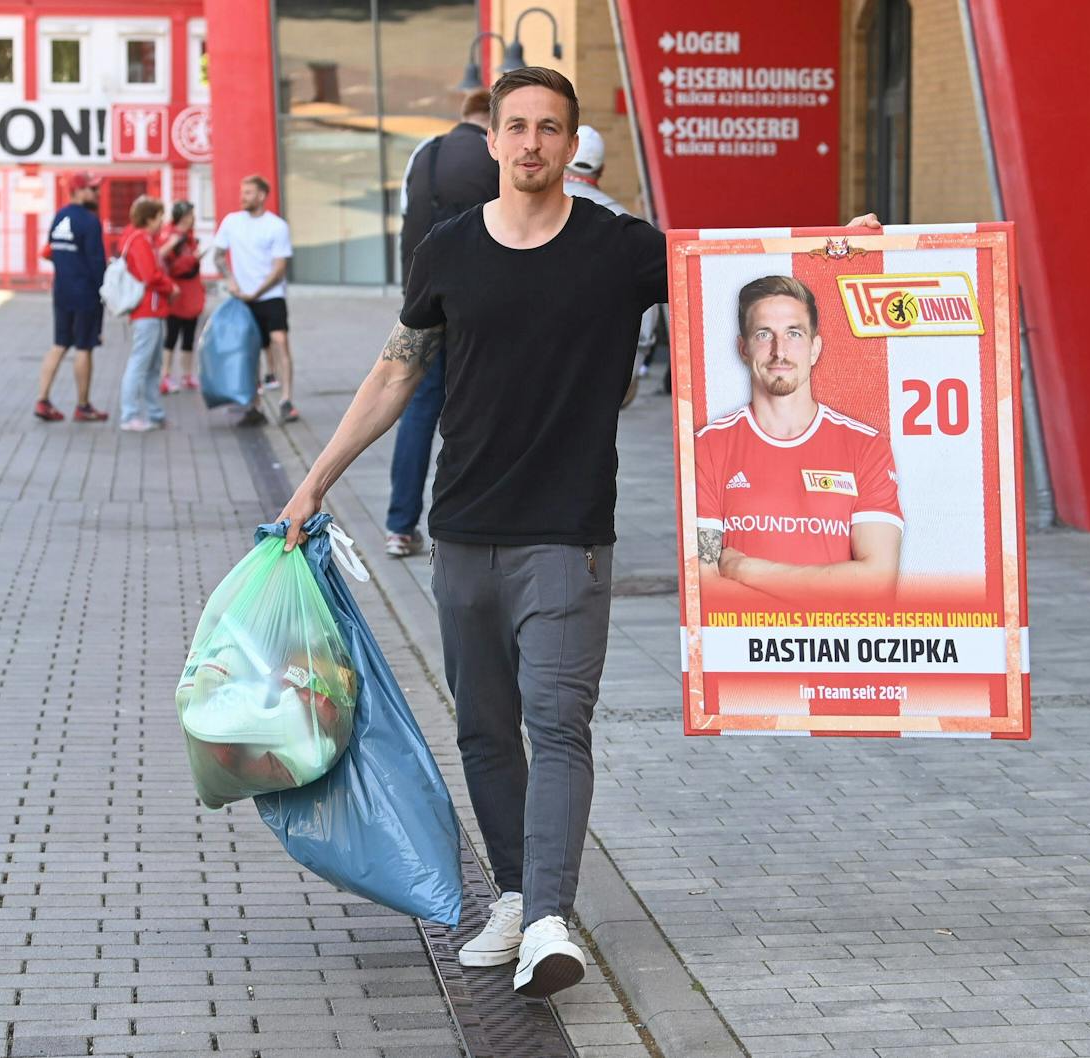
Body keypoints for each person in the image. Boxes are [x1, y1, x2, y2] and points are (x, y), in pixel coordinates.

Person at [278, 62, 879, 999]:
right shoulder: (446, 249)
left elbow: (734, 272)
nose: (531, 143)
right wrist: (313, 484)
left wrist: (838, 253)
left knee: (557, 726)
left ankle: (550, 920)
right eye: (515, 126)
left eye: (549, 128)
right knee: (484, 732)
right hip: (462, 529)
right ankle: (518, 898)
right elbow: (396, 370)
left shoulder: (616, 247)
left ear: (570, 144)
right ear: (491, 139)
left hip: (568, 538)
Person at [694, 275, 903, 603]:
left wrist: (747, 569)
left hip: (832, 639)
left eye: (794, 333)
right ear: (743, 348)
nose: (780, 351)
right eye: (764, 334)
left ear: (815, 348)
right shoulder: (707, 446)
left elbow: (877, 582)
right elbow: (705, 590)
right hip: (750, 640)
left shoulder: (866, 446)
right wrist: (825, 590)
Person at [384, 88, 499, 558]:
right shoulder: (495, 158)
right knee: (479, 409)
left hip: (423, 300)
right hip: (479, 307)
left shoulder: (424, 153)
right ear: (491, 120)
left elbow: (406, 225)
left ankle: (399, 526)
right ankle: (473, 522)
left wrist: (408, 297)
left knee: (418, 409)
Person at [563, 125, 662, 408]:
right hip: (603, 368)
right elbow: (647, 309)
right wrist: (636, 363)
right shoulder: (625, 222)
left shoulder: (533, 211)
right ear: (602, 170)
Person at [212, 175, 296, 425]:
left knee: (280, 342)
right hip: (243, 299)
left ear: (261, 196)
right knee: (248, 351)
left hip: (271, 296)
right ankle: (254, 405)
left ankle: (286, 400)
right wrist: (230, 280)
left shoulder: (276, 226)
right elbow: (218, 255)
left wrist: (257, 292)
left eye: (248, 193)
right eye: (242, 192)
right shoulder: (232, 221)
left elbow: (279, 267)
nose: (242, 197)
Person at [35, 172, 109, 423]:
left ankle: (42, 400)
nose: (97, 193)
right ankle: (83, 406)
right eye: (92, 189)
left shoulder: (59, 216)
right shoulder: (90, 221)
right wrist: (105, 292)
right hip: (85, 292)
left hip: (62, 290)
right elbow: (97, 262)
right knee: (84, 347)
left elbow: (50, 251)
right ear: (78, 191)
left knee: (59, 344)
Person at [116, 196, 176, 433]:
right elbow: (149, 275)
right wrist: (171, 287)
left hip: (153, 309)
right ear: (149, 219)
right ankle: (129, 414)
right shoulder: (140, 241)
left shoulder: (143, 239)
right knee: (140, 363)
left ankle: (155, 413)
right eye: (159, 217)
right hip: (147, 309)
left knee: (152, 365)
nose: (162, 222)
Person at [159, 200, 206, 394]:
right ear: (183, 216)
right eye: (191, 215)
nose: (193, 218)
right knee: (171, 336)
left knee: (189, 336)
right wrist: (192, 258)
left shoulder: (190, 237)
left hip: (192, 293)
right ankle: (166, 375)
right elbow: (166, 262)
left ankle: (187, 374)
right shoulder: (171, 236)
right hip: (176, 294)